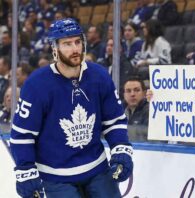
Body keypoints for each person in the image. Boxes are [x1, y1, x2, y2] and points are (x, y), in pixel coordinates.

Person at [10, 18, 133, 198]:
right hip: (55, 177)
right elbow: (22, 134)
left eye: (77, 42)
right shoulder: (36, 85)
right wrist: (25, 170)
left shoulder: (99, 76)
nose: (75, 49)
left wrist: (121, 148)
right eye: (67, 44)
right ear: (55, 48)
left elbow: (114, 121)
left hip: (97, 169)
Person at [123, 76, 149, 141]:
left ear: (144, 93)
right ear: (124, 94)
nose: (132, 94)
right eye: (128, 91)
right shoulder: (119, 110)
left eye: (137, 90)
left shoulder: (150, 111)